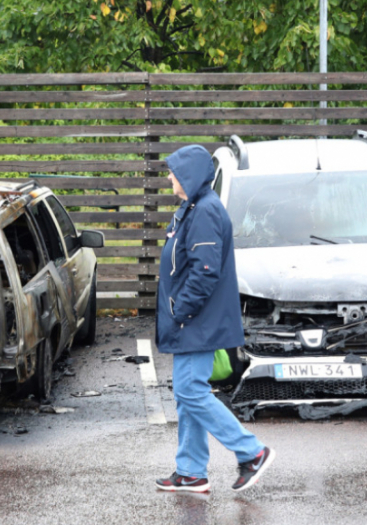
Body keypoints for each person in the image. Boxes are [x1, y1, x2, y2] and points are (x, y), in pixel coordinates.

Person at [155, 145, 275, 493]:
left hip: (195, 322)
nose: (169, 177)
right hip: (191, 322)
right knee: (187, 393)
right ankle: (191, 471)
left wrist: (180, 311)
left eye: (173, 172)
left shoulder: (205, 211)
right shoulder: (193, 208)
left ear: (189, 174)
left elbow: (204, 271)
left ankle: (251, 452)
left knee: (191, 391)